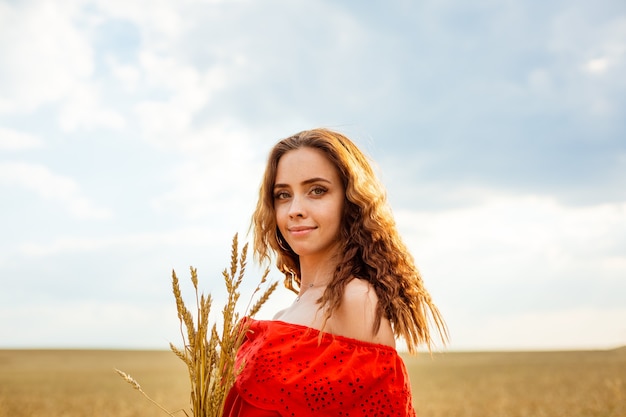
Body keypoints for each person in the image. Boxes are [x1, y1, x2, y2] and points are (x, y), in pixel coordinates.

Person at [223, 128, 447, 417]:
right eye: (283, 194)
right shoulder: (286, 314)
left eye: (317, 190)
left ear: (350, 201)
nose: (295, 209)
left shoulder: (355, 300)